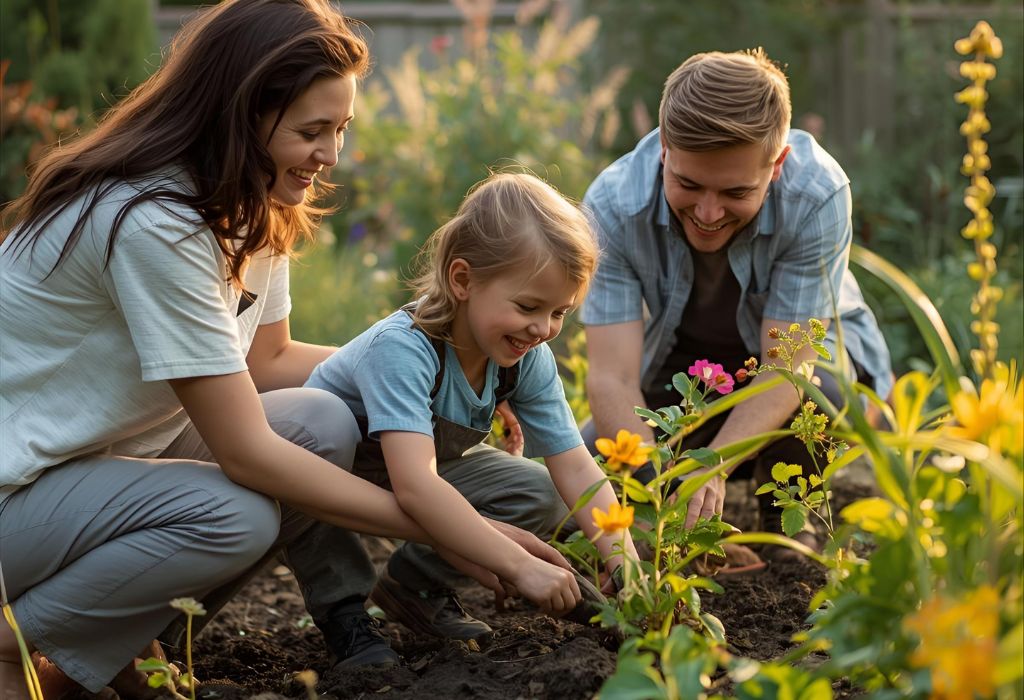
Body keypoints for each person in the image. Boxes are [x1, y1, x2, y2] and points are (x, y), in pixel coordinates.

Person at [0, 2, 581, 698]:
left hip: (77, 479)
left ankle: (97, 658)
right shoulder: (156, 222)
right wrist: (463, 534)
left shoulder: (247, 207)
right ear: (240, 114)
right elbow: (245, 451)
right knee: (234, 514)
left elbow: (265, 363)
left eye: (340, 129)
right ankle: (15, 642)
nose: (332, 155)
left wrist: (436, 372)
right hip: (18, 492)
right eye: (312, 131)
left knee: (319, 423)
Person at [305, 172, 637, 646]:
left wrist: (627, 566)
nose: (543, 328)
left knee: (542, 494)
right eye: (528, 306)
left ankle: (414, 586)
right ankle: (344, 615)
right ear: (462, 280)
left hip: (419, 471)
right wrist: (517, 564)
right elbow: (416, 486)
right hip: (331, 473)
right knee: (321, 519)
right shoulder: (403, 349)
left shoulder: (525, 357)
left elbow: (577, 468)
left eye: (560, 312)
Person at [580, 49, 893, 550]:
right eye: (687, 184)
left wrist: (712, 469)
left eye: (734, 192)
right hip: (687, 369)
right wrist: (652, 493)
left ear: (777, 164)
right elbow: (611, 376)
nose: (707, 212)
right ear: (664, 147)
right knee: (589, 464)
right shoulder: (612, 203)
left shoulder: (817, 193)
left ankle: (792, 513)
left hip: (802, 365)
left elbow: (787, 366)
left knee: (821, 393)